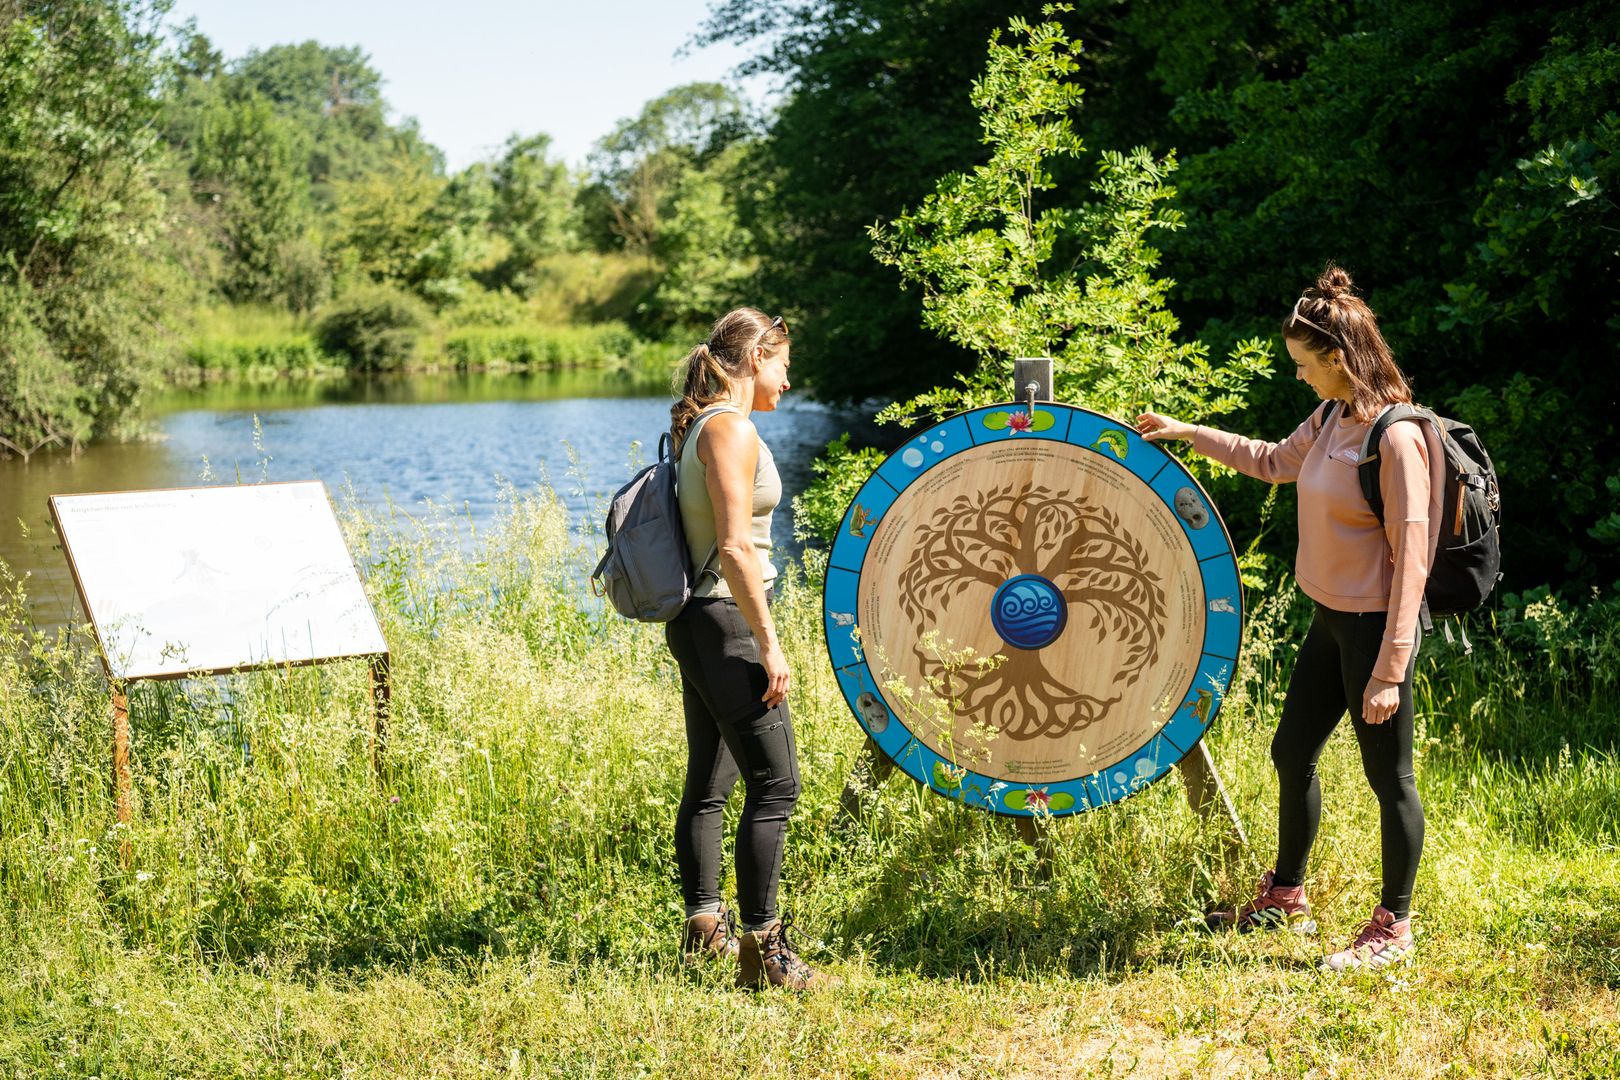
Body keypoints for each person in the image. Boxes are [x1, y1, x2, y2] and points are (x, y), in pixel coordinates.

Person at [1136, 265, 1444, 971]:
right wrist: (1188, 432)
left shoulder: (1395, 439)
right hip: (1330, 618)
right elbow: (1272, 461)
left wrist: (1390, 668)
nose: (1298, 376)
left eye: (1304, 364)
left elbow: (1414, 562)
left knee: (1390, 778)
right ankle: (1286, 898)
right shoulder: (1333, 416)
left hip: (1373, 629)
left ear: (1337, 357)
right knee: (1290, 751)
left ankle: (1394, 928)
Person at [664, 307, 828, 990]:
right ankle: (765, 952)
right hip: (726, 621)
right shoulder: (729, 429)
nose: (787, 381)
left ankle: (705, 932)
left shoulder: (703, 425)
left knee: (710, 784)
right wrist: (770, 644)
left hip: (697, 619)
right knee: (776, 784)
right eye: (783, 364)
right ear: (757, 357)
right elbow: (734, 549)